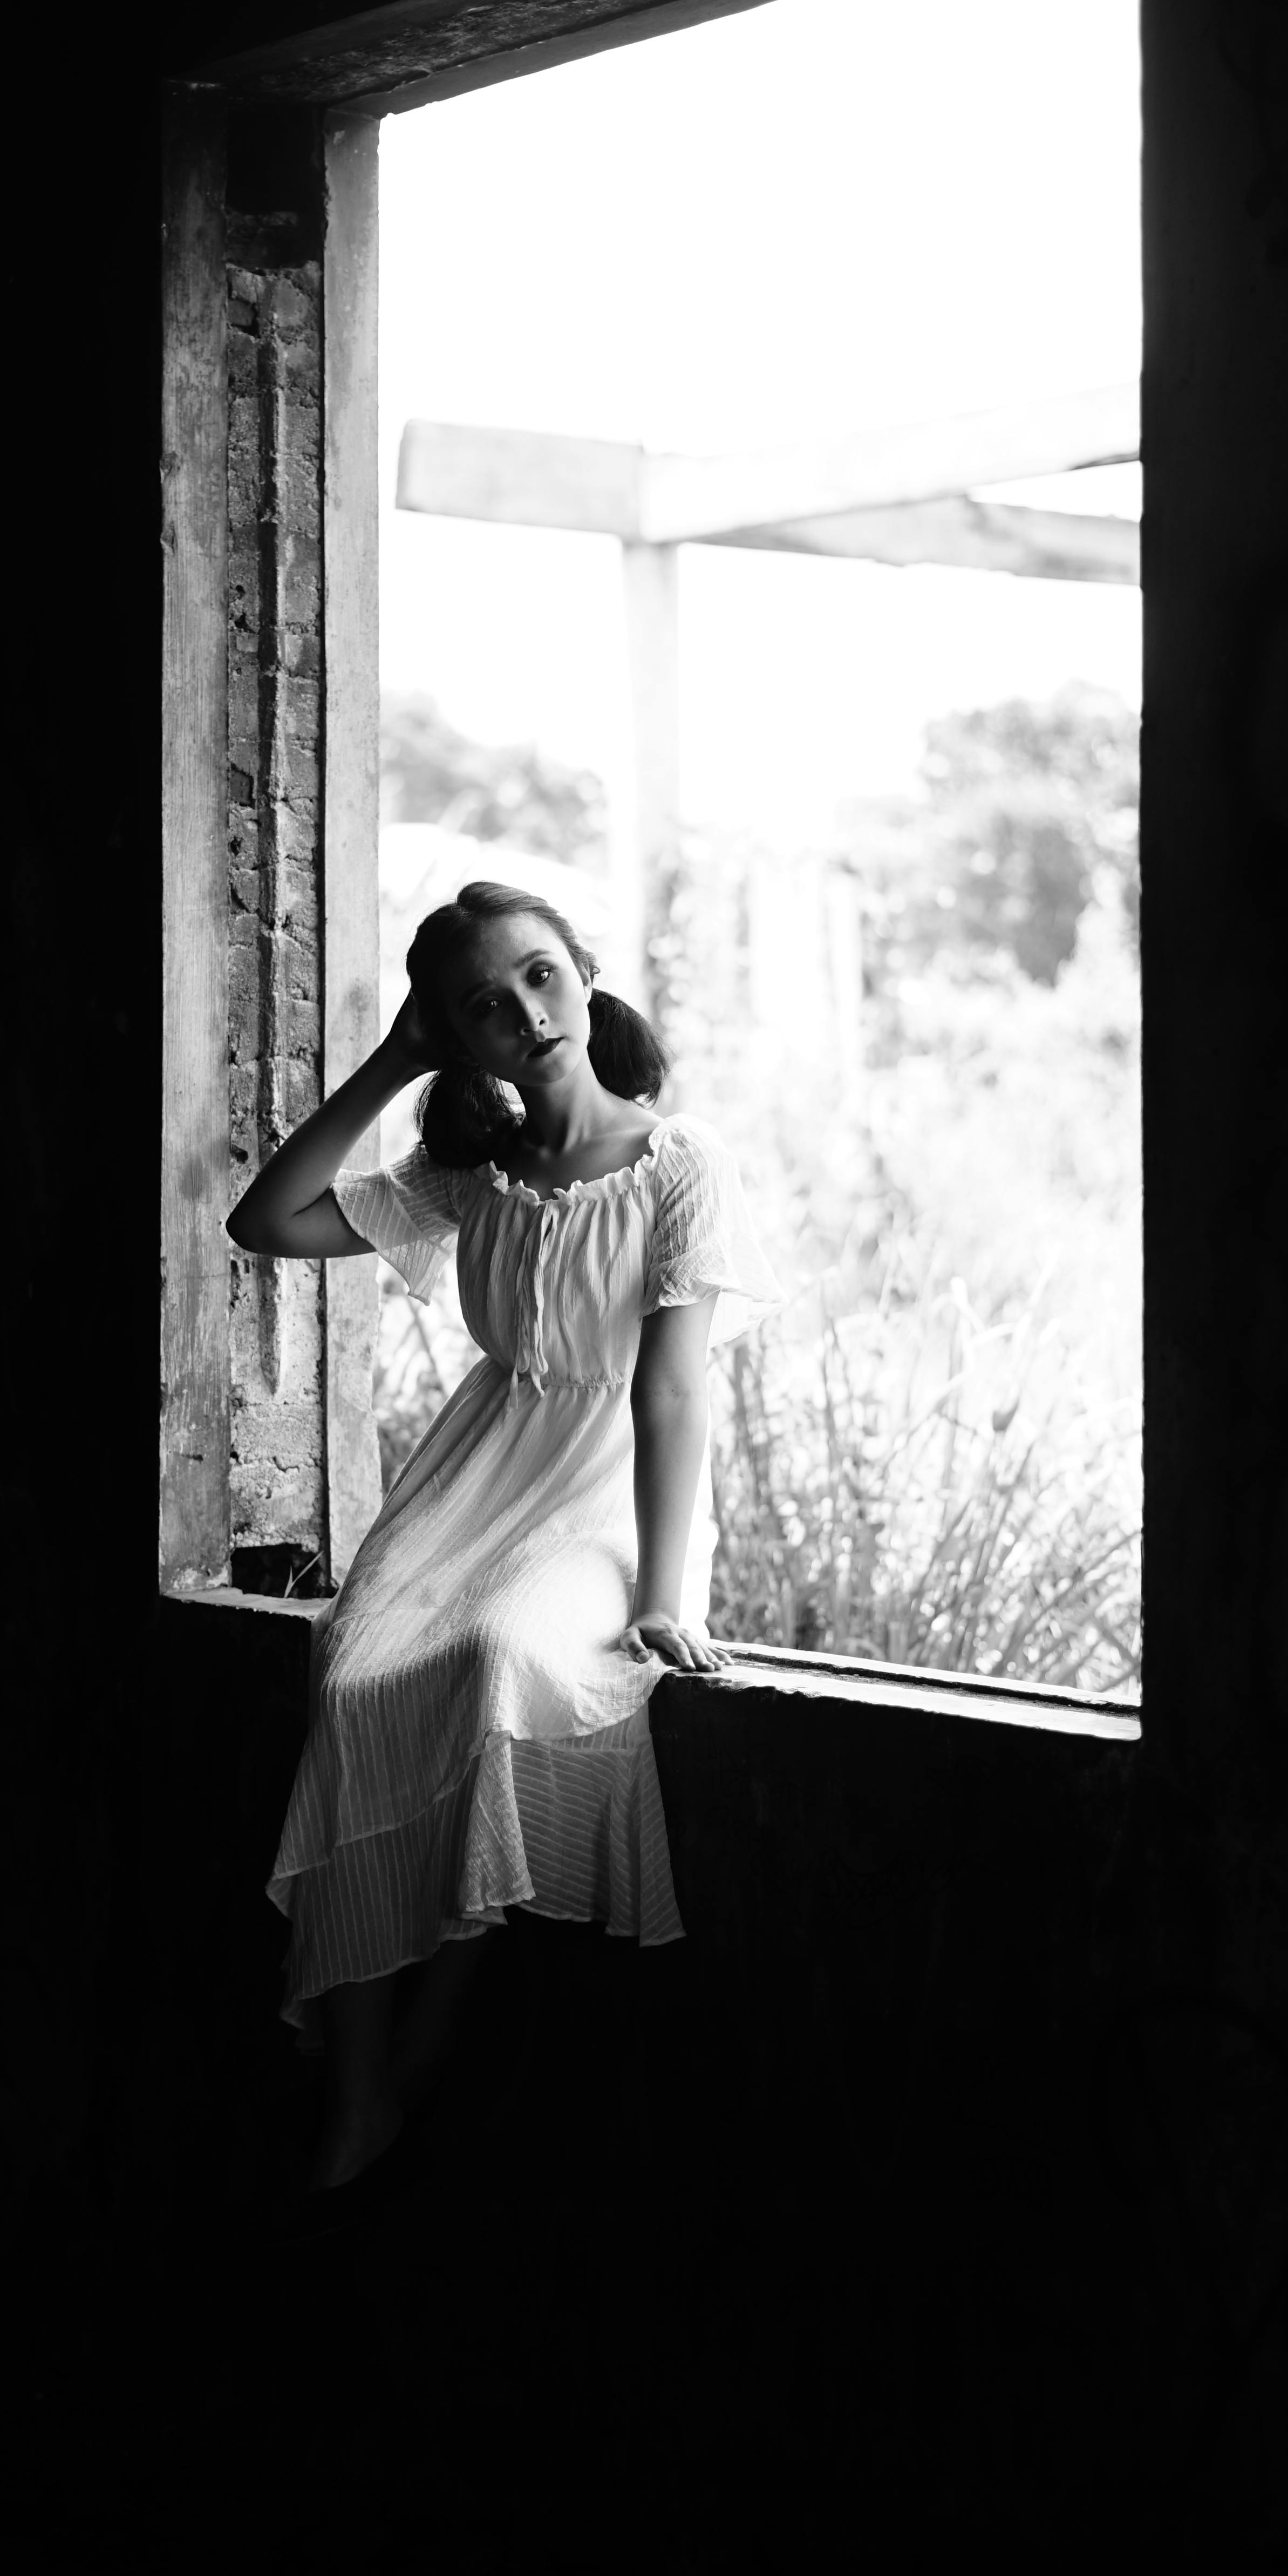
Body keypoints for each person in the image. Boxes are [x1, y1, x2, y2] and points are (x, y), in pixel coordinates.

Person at [228, 880, 780, 2195]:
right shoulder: (469, 1174)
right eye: (482, 1005)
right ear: (456, 1037)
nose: (522, 1014)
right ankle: (363, 2096)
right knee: (354, 1678)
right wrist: (390, 1060)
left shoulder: (678, 1159)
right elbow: (265, 1221)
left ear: (582, 973)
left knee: (496, 1662)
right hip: (469, 1485)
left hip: (603, 1500)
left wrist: (659, 1593)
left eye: (538, 977)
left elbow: (670, 1388)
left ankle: (424, 2043)